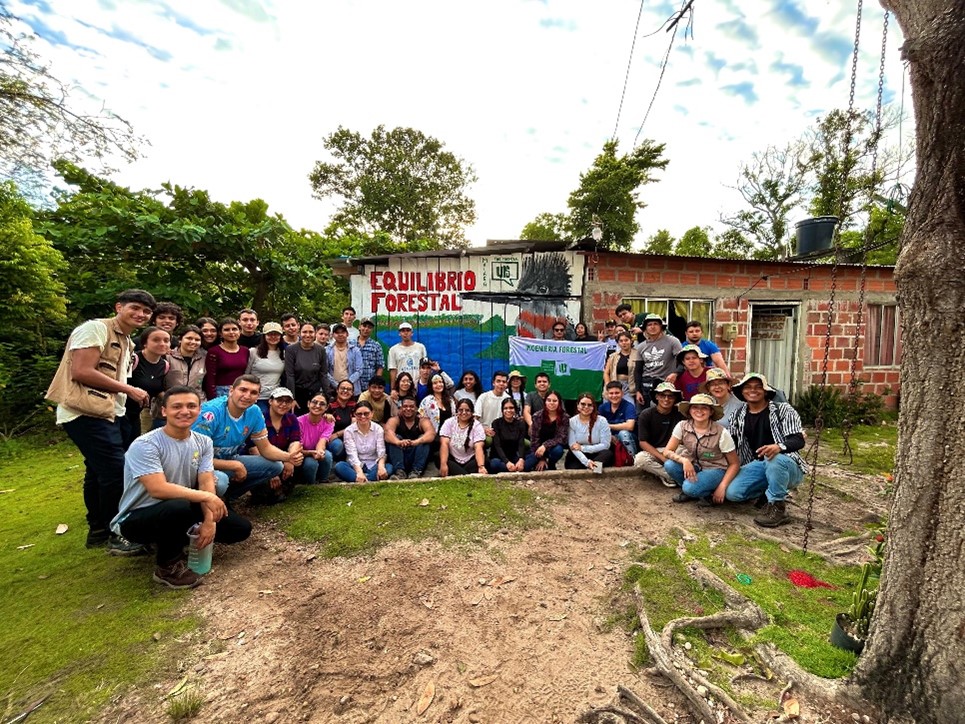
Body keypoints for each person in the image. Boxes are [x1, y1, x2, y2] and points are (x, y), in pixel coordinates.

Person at [46, 288, 156, 554]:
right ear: (119, 306)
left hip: (109, 412)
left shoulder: (128, 341)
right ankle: (119, 533)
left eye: (146, 311)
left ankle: (97, 529)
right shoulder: (95, 329)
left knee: (96, 471)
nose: (140, 314)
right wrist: (128, 390)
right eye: (135, 308)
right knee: (116, 472)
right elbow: (82, 371)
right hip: (84, 411)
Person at [111, 386, 252, 589]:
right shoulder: (146, 444)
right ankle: (166, 567)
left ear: (199, 410)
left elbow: (205, 481)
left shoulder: (203, 442)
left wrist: (209, 521)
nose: (185, 411)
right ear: (164, 411)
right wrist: (207, 497)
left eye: (191, 406)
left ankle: (178, 538)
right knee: (178, 506)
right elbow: (158, 489)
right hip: (137, 517)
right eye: (177, 406)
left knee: (239, 529)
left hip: (180, 507)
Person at [724, 373, 808, 528]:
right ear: (742, 392)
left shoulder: (783, 410)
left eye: (758, 387)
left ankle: (777, 506)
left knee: (774, 459)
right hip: (757, 464)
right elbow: (732, 443)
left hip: (786, 464)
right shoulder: (738, 415)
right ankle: (767, 491)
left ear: (766, 391)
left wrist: (778, 446)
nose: (753, 390)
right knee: (733, 493)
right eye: (748, 387)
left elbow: (798, 439)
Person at [192, 375, 292, 502]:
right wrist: (235, 465)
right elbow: (195, 458)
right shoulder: (210, 413)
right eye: (243, 390)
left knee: (276, 466)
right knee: (220, 481)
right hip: (200, 467)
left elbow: (265, 448)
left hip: (228, 459)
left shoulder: (254, 412)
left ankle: (227, 498)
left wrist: (289, 457)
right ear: (231, 390)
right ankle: (203, 508)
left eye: (253, 392)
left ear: (258, 397)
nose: (247, 395)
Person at [663, 393, 741, 505]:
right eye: (695, 407)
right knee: (670, 465)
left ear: (711, 412)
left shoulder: (721, 432)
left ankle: (702, 492)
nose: (699, 411)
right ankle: (695, 491)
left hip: (715, 469)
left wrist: (722, 486)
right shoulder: (682, 426)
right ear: (689, 410)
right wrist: (684, 460)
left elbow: (734, 463)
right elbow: (667, 451)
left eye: (704, 407)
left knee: (689, 488)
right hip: (693, 464)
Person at [251, 386, 306, 501]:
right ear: (270, 401)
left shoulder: (292, 419)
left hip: (283, 457)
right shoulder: (259, 419)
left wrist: (290, 460)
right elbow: (253, 448)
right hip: (262, 459)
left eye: (287, 401)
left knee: (299, 459)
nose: (283, 404)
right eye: (279, 400)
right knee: (266, 493)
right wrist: (272, 470)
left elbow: (295, 441)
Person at [634, 382, 685, 486]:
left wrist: (671, 454)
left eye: (670, 396)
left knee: (687, 451)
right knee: (640, 459)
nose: (666, 399)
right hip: (654, 451)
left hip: (675, 450)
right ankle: (670, 475)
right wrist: (663, 459)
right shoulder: (646, 414)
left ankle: (671, 475)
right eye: (662, 395)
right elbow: (643, 442)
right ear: (657, 396)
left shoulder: (680, 414)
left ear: (675, 398)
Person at [126, 326, 171, 437]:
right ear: (144, 343)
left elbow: (157, 389)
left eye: (166, 341)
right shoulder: (133, 360)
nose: (162, 344)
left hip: (136, 414)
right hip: (119, 412)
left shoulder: (164, 365)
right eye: (156, 340)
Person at [333, 401, 392, 482]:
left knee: (388, 467)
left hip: (373, 464)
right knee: (339, 466)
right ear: (354, 414)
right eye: (359, 414)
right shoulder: (349, 431)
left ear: (372, 413)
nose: (363, 416)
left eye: (366, 413)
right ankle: (369, 479)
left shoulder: (378, 429)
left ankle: (362, 480)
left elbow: (381, 451)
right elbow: (352, 454)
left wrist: (381, 467)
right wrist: (359, 472)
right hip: (355, 466)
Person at [635, 313, 682, 406]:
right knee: (642, 414)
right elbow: (638, 370)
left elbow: (683, 361)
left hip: (665, 384)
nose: (652, 327)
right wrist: (638, 391)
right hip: (646, 384)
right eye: (649, 325)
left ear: (661, 326)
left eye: (655, 324)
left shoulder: (673, 341)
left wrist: (675, 373)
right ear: (645, 328)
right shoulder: (641, 347)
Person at [385, 396, 435, 480]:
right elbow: (387, 433)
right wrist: (398, 442)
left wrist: (416, 442)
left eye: (411, 406)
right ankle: (400, 472)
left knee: (424, 439)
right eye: (405, 406)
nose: (408, 409)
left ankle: (416, 471)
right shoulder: (395, 420)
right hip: (399, 456)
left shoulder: (422, 420)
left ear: (416, 408)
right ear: (401, 408)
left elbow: (431, 433)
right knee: (395, 438)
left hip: (416, 455)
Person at [285, 322, 329, 411]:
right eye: (304, 332)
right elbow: (290, 375)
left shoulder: (321, 350)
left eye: (311, 332)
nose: (308, 335)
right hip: (297, 392)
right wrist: (292, 398)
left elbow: (323, 374)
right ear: (299, 333)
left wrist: (328, 397)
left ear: (315, 333)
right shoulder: (291, 350)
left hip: (314, 393)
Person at [245, 321, 286, 417]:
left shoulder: (284, 353)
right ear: (264, 336)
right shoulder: (253, 352)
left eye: (276, 334)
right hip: (257, 396)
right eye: (270, 334)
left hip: (276, 396)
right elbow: (246, 374)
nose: (273, 337)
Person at [566, 392, 613, 472]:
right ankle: (592, 468)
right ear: (578, 406)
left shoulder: (602, 421)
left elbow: (606, 445)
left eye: (589, 405)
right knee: (573, 464)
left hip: (597, 453)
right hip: (580, 454)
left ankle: (595, 471)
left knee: (607, 454)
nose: (586, 407)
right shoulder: (572, 422)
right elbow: (573, 446)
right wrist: (586, 462)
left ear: (593, 407)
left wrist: (583, 448)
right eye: (583, 404)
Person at [439, 399, 487, 476]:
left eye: (467, 410)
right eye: (461, 410)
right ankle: (466, 475)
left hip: (470, 459)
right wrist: (443, 464)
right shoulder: (449, 422)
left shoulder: (477, 425)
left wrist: (481, 466)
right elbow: (444, 444)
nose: (464, 413)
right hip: (453, 459)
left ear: (472, 412)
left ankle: (459, 474)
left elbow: (478, 447)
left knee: (485, 460)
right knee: (439, 457)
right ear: (456, 411)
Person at [204, 318, 249, 399]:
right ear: (220, 333)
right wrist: (212, 398)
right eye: (227, 330)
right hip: (220, 392)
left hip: (241, 390)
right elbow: (210, 378)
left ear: (240, 331)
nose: (231, 332)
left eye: (234, 329)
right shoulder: (214, 351)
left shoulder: (245, 351)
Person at [524, 391, 568, 472]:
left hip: (552, 448)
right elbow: (534, 439)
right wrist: (542, 459)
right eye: (549, 400)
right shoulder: (537, 416)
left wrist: (545, 446)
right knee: (527, 466)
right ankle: (540, 462)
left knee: (558, 450)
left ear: (559, 402)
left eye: (555, 401)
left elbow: (561, 438)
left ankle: (551, 464)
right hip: (537, 448)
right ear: (545, 402)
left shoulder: (564, 417)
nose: (551, 403)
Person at [297, 392, 334, 484]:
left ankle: (324, 481)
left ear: (326, 407)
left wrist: (319, 452)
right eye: (314, 402)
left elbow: (323, 440)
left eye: (322, 404)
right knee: (310, 463)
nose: (317, 406)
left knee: (327, 455)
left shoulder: (329, 422)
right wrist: (311, 453)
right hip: (302, 453)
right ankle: (310, 485)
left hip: (316, 450)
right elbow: (297, 447)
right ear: (308, 404)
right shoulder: (298, 422)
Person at [165, 325, 206, 404]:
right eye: (189, 338)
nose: (193, 342)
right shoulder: (168, 357)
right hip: (172, 402)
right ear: (180, 339)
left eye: (197, 340)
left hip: (197, 404)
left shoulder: (204, 358)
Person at [604, 331, 643, 407]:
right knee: (608, 406)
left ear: (631, 341)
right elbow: (606, 373)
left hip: (630, 386)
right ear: (618, 343)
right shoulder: (613, 356)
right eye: (621, 341)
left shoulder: (638, 354)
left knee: (630, 406)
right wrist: (608, 385)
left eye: (626, 340)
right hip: (615, 384)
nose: (624, 343)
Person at [488, 398, 527, 473]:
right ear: (502, 410)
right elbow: (497, 445)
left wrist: (521, 459)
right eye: (505, 408)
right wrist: (507, 462)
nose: (508, 410)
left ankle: (516, 468)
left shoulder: (520, 424)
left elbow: (521, 443)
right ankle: (514, 469)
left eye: (511, 408)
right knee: (494, 464)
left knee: (532, 458)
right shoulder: (496, 423)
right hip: (499, 458)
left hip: (514, 456)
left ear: (515, 409)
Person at [599, 381, 637, 456]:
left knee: (623, 433)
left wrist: (608, 426)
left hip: (628, 438)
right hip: (609, 438)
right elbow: (598, 426)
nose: (614, 396)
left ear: (622, 393)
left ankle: (632, 459)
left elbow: (630, 426)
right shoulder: (602, 407)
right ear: (607, 394)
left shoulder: (629, 406)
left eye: (617, 393)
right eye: (611, 393)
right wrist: (609, 435)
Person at [327, 322, 364, 394]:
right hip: (333, 389)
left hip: (352, 390)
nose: (340, 334)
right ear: (333, 335)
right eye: (337, 332)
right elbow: (325, 371)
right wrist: (337, 385)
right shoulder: (327, 350)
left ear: (347, 334)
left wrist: (347, 384)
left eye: (343, 332)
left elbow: (359, 370)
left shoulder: (355, 350)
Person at [388, 322, 427, 387]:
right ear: (399, 333)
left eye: (408, 330)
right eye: (403, 331)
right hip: (402, 386)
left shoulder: (420, 347)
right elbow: (393, 370)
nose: (405, 333)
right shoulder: (393, 350)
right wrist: (393, 389)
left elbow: (425, 368)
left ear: (412, 333)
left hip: (418, 385)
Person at [326, 379, 358, 461]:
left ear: (352, 393)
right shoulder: (329, 405)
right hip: (331, 439)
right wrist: (326, 415)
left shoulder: (355, 406)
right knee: (338, 445)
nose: (345, 391)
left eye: (349, 389)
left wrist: (337, 434)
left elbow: (354, 426)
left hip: (349, 437)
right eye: (342, 388)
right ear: (337, 390)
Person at [474, 370, 510, 436]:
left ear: (507, 384)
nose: (501, 384)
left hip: (503, 432)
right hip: (483, 431)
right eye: (498, 381)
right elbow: (475, 418)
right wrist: (484, 430)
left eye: (504, 382)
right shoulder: (484, 397)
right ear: (493, 383)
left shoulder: (508, 399)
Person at [418, 373, 454, 437]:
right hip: (433, 436)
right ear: (431, 386)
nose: (438, 385)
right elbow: (421, 420)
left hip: (449, 436)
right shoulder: (426, 401)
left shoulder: (450, 400)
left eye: (440, 382)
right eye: (435, 383)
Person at [355, 317, 385, 386]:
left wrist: (376, 383)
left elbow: (380, 366)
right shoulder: (351, 344)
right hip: (354, 384)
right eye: (364, 326)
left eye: (369, 327)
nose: (366, 329)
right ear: (359, 327)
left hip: (369, 384)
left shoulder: (376, 345)